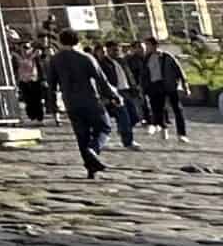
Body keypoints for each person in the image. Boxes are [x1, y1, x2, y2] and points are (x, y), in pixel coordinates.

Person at [41, 28, 112, 178]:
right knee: (104, 127)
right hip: (90, 99)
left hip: (71, 102)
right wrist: (113, 95)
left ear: (60, 41)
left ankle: (90, 168)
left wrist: (52, 105)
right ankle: (94, 149)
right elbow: (101, 79)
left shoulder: (54, 60)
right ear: (77, 40)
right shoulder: (86, 57)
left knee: (82, 135)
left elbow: (51, 85)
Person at [140, 33, 190, 140]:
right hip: (154, 86)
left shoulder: (167, 56)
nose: (146, 47)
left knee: (177, 109)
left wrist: (185, 85)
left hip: (169, 85)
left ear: (155, 45)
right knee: (158, 109)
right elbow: (144, 74)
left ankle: (182, 134)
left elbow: (179, 70)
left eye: (148, 45)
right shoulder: (146, 59)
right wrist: (144, 87)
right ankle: (163, 128)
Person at [96, 40, 141, 150]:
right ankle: (128, 142)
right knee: (123, 115)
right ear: (108, 50)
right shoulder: (103, 63)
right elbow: (102, 81)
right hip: (115, 93)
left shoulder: (122, 61)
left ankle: (122, 131)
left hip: (126, 91)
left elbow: (129, 75)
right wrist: (107, 95)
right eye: (114, 50)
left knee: (134, 116)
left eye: (118, 49)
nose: (117, 52)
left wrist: (134, 88)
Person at [15, 44, 46, 125]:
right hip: (23, 80)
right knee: (28, 100)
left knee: (37, 100)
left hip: (34, 80)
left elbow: (40, 67)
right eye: (24, 48)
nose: (25, 50)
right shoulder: (18, 57)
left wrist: (43, 79)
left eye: (27, 48)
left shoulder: (35, 57)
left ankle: (39, 118)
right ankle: (32, 117)